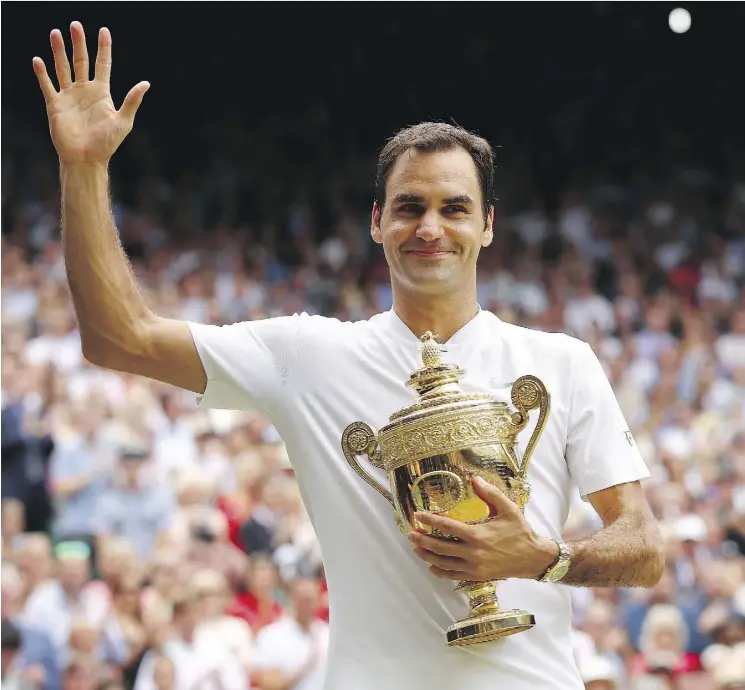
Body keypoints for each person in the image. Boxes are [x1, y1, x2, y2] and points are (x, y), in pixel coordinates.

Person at [32, 22, 664, 690]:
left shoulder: (561, 361)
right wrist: (83, 167)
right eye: (408, 207)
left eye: (454, 208)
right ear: (375, 222)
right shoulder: (307, 355)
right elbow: (117, 336)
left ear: (486, 224)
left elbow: (643, 549)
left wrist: (546, 557)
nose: (429, 227)